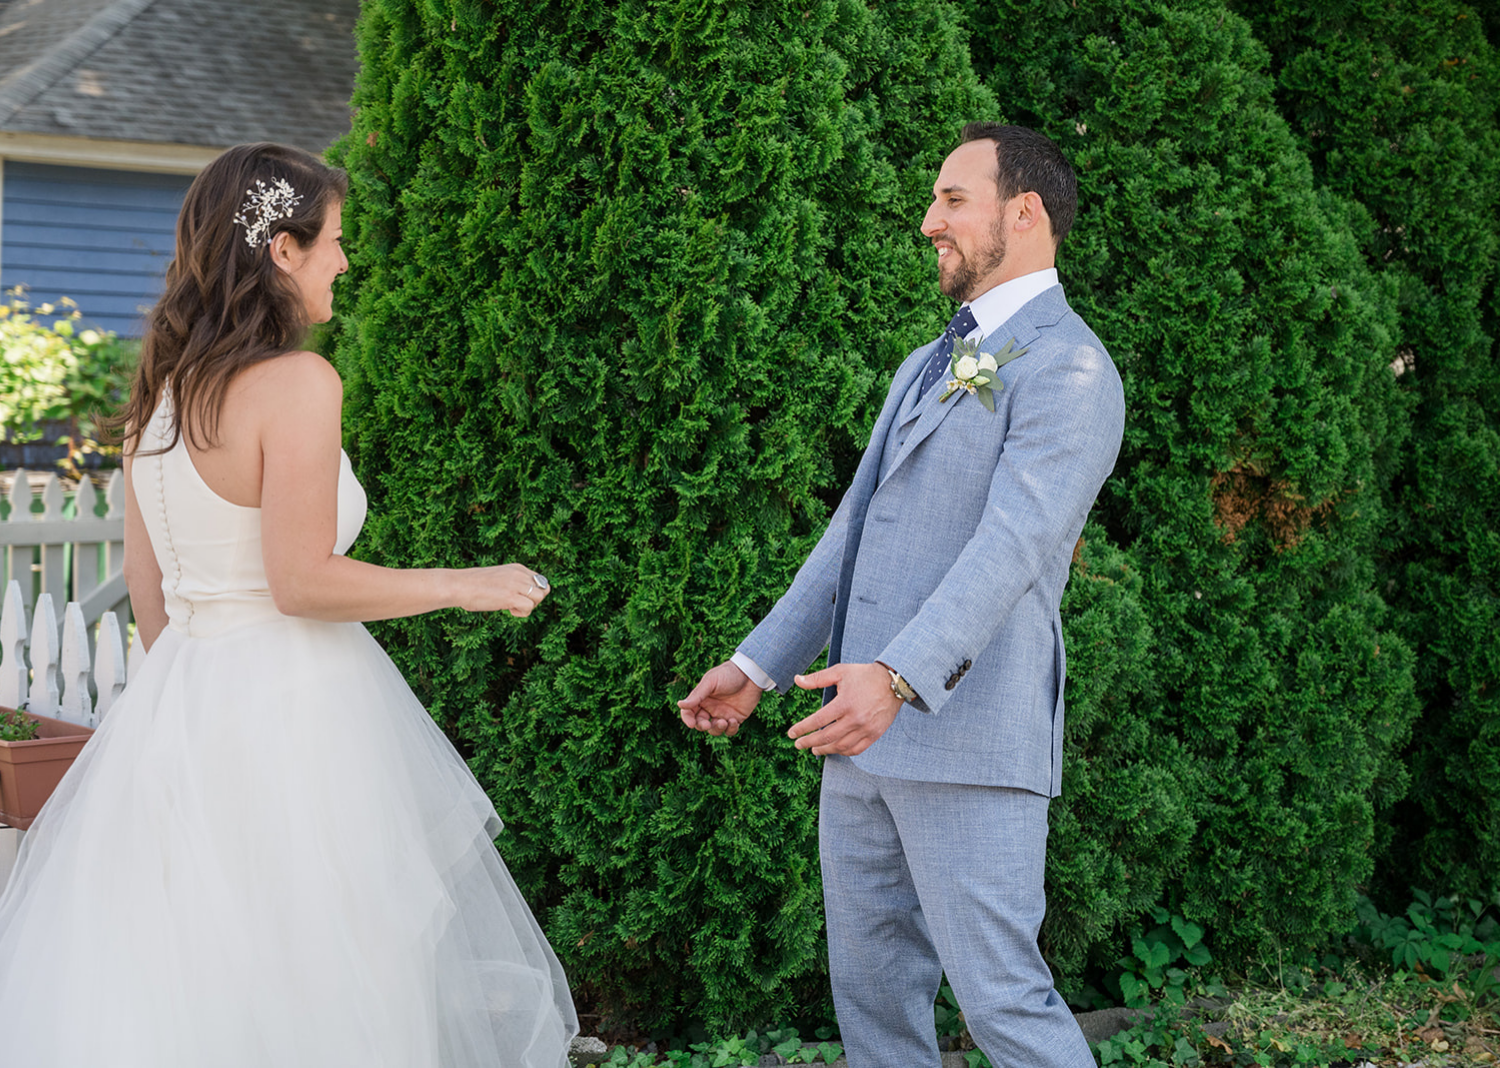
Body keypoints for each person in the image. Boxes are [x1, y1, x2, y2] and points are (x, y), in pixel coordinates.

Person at [0, 143, 577, 1067]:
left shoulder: (155, 399)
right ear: (282, 249)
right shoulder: (299, 384)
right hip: (298, 713)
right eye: (335, 241)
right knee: (333, 966)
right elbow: (301, 581)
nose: (345, 262)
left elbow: (154, 606)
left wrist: (198, 695)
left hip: (180, 708)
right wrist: (466, 585)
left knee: (189, 967)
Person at [678, 123, 1125, 1068]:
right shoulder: (924, 364)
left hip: (970, 742)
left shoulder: (1074, 371)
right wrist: (759, 664)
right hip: (861, 738)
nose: (929, 222)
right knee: (873, 1005)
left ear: (1026, 212)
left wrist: (899, 675)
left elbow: (1009, 550)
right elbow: (852, 537)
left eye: (952, 201)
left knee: (1004, 1004)